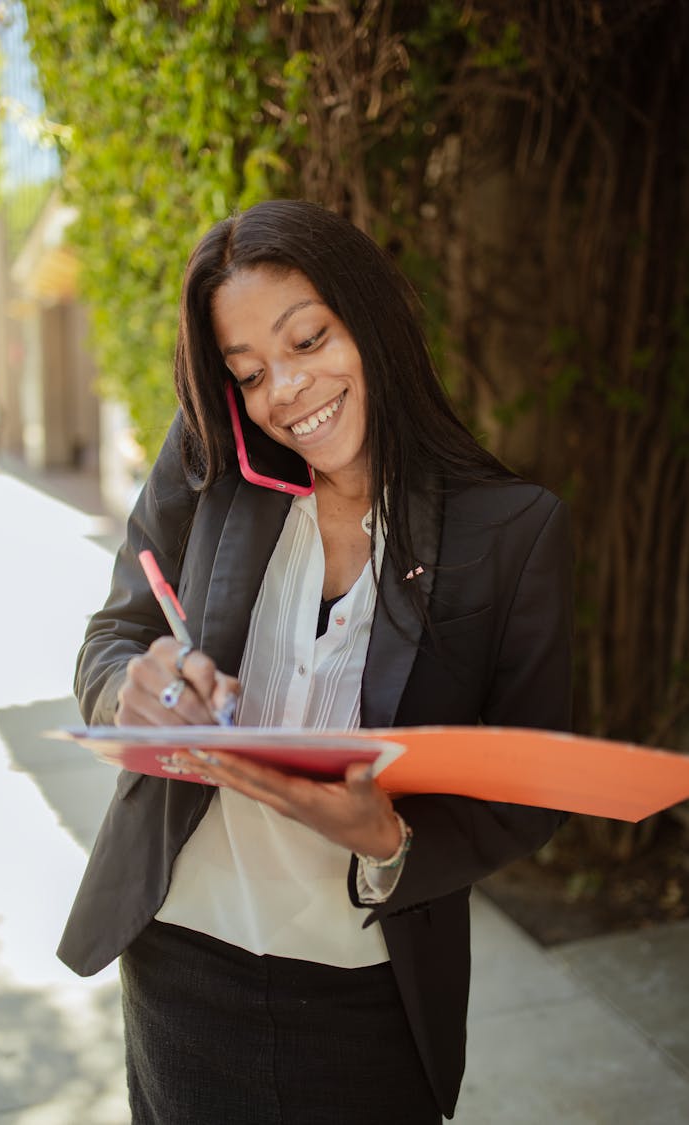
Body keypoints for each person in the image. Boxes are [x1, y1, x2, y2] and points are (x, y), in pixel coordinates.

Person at [58, 200, 573, 1124]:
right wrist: (129, 691)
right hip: (179, 962)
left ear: (369, 318)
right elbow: (114, 637)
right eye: (249, 372)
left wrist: (388, 839)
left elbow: (527, 792)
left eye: (307, 340)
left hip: (364, 998)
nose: (284, 392)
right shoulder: (209, 462)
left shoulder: (510, 533)